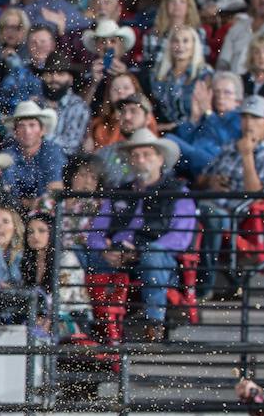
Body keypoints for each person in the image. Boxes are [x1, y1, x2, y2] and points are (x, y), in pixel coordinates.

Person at [84, 128, 197, 340]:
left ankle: (154, 324)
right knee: (84, 255)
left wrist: (140, 251)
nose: (141, 160)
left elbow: (180, 236)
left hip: (159, 258)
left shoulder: (177, 191)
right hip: (117, 255)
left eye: (147, 154)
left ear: (159, 158)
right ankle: (88, 323)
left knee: (152, 256)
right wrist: (105, 249)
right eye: (135, 155)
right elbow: (95, 232)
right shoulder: (120, 191)